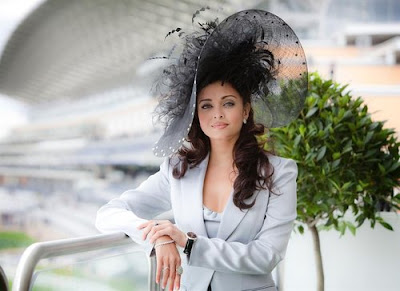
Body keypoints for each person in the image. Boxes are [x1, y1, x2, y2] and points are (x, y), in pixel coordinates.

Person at [96, 9, 308, 291]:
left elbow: (267, 255)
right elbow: (108, 214)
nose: (217, 114)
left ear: (245, 109)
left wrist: (188, 244)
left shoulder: (278, 172)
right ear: (195, 114)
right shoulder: (177, 170)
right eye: (206, 105)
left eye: (228, 103)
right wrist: (159, 238)